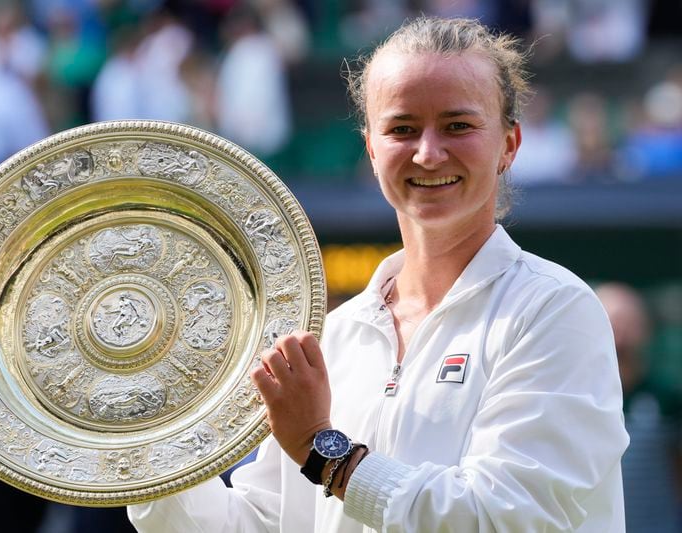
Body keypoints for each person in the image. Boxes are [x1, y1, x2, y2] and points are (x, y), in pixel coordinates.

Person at [128, 16, 628, 532]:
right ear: (370, 148)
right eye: (402, 128)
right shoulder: (336, 335)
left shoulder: (555, 311)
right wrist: (150, 441)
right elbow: (263, 524)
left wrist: (321, 450)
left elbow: (505, 518)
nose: (429, 153)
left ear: (509, 144)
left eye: (458, 125)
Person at [596, 282, 682, 533]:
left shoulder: (667, 401)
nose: (620, 333)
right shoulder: (575, 400)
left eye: (627, 322)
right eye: (612, 322)